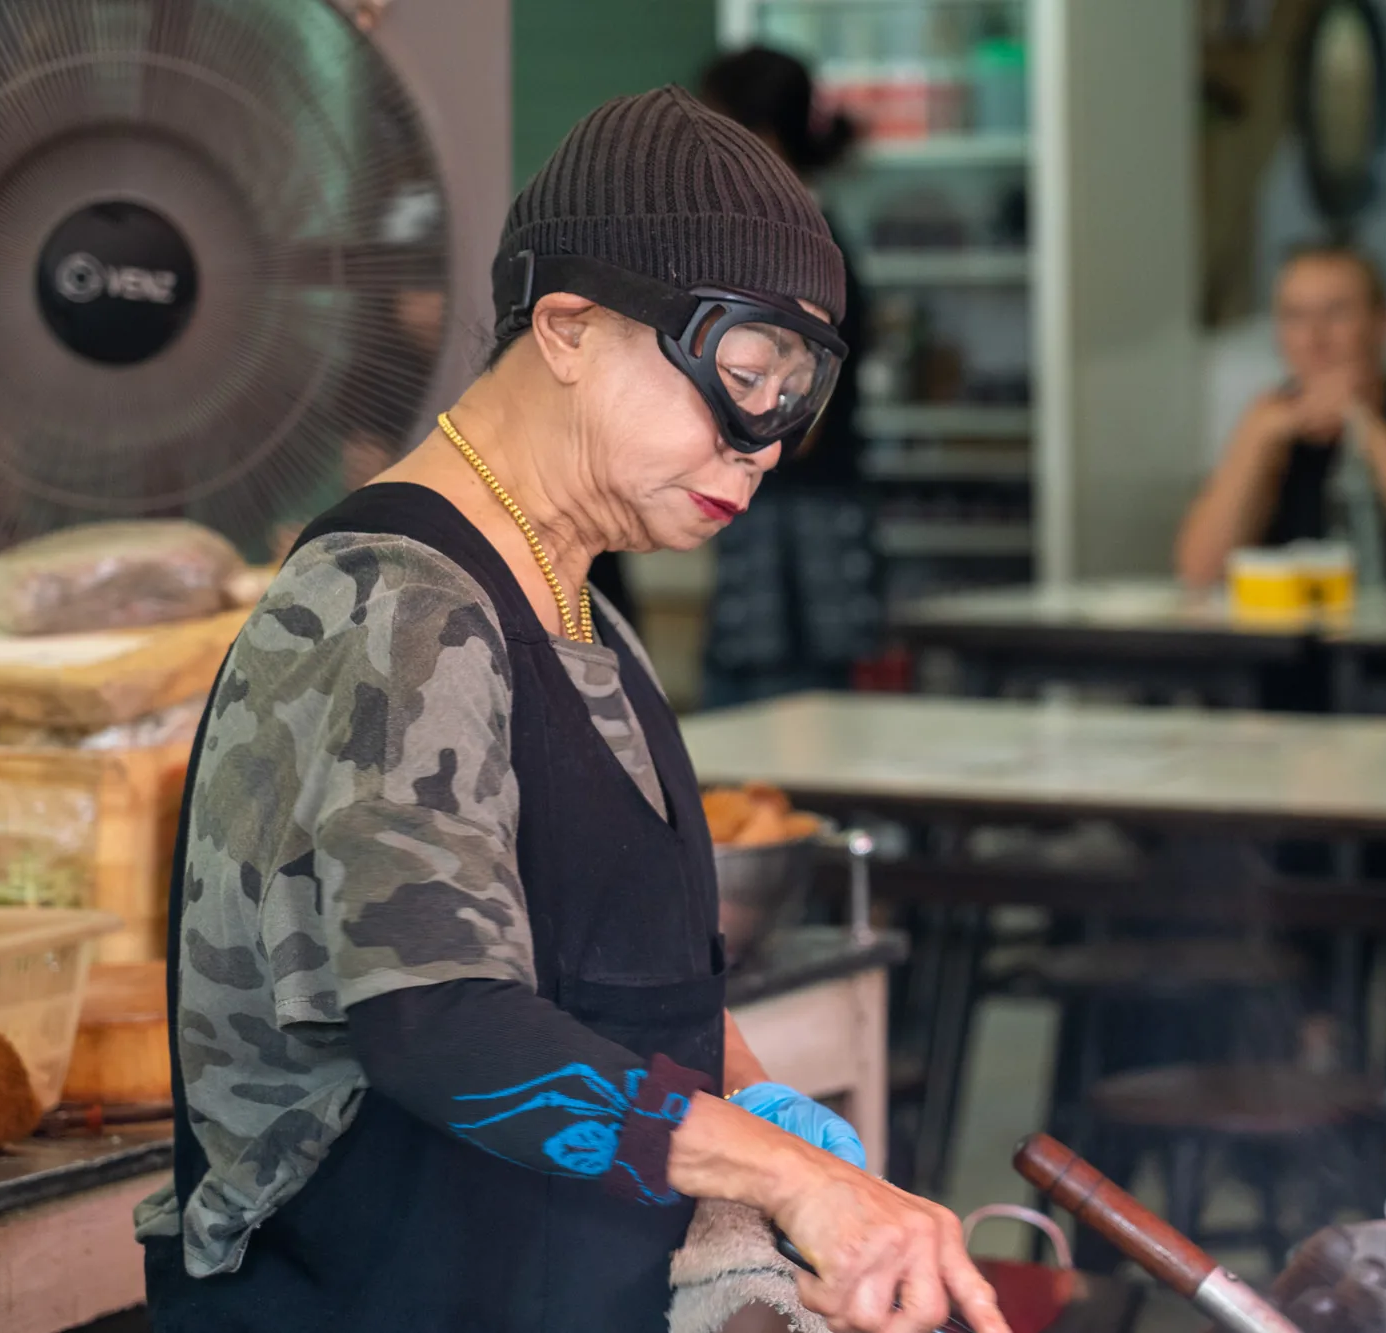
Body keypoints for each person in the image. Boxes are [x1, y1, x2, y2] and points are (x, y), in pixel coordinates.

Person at [138, 87, 1005, 1333]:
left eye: (793, 398)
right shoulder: (396, 602)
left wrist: (761, 1113)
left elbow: (630, 1000)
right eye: (741, 373)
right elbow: (440, 1026)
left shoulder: (584, 615)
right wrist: (786, 1176)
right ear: (567, 325)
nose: (761, 441)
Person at [697, 47, 880, 707]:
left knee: (776, 733)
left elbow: (790, 424)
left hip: (796, 533)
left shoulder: (796, 251)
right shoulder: (797, 239)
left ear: (761, 138)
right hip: (795, 518)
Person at [1176, 241, 1386, 587]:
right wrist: (1255, 445)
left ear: (1383, 323)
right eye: (1294, 316)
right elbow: (1199, 574)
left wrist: (1372, 433)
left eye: (1337, 313)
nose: (1314, 338)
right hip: (1294, 631)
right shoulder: (1267, 414)